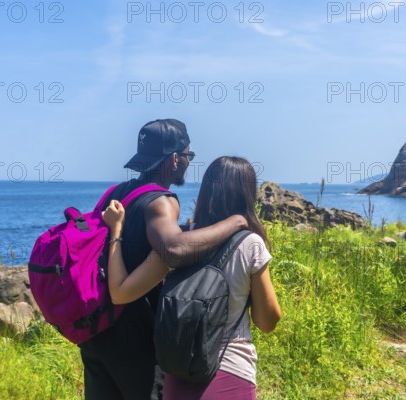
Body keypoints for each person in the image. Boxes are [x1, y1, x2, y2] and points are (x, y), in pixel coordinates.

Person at [79, 120, 249, 400]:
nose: (188, 162)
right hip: (136, 343)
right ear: (174, 160)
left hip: (97, 334)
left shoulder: (115, 193)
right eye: (188, 155)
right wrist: (236, 221)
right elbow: (174, 249)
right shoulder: (162, 201)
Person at [102, 156, 282, 400]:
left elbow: (120, 292)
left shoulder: (181, 243)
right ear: (247, 194)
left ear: (207, 191)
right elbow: (267, 321)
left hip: (179, 374)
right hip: (231, 372)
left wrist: (117, 231)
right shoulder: (250, 244)